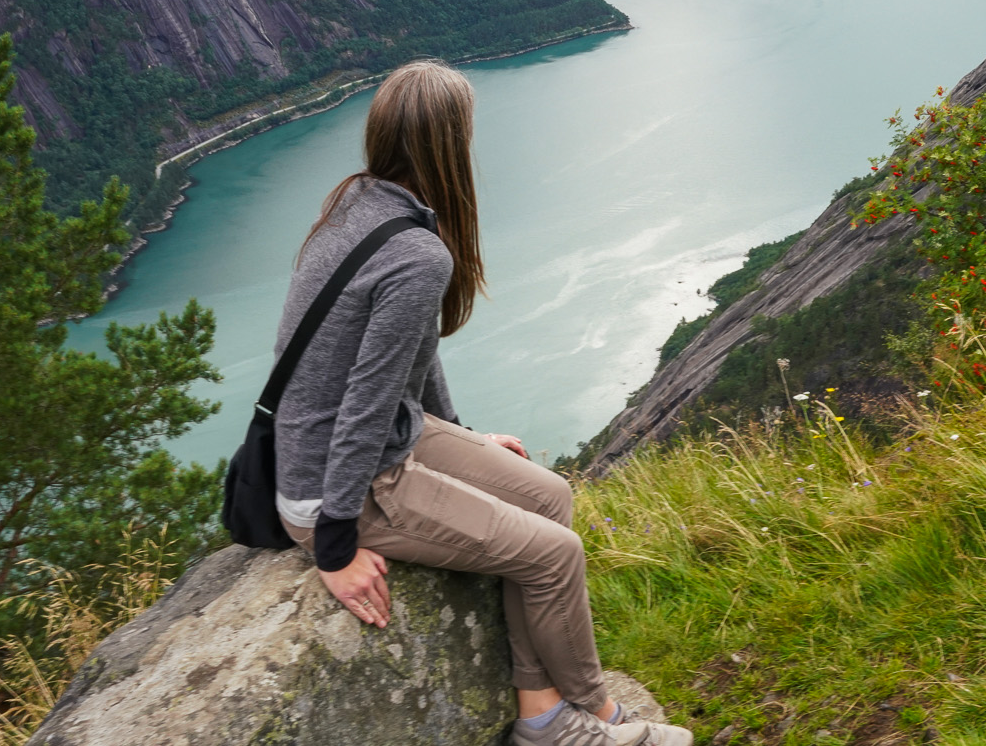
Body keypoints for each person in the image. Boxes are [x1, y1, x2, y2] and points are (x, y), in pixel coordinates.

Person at [271, 59, 691, 746]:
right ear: (449, 144)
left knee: (550, 496)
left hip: (372, 446)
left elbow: (414, 349)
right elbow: (364, 408)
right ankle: (588, 715)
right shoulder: (417, 255)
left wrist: (465, 441)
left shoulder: (356, 203)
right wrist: (335, 545)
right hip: (342, 484)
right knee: (557, 555)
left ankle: (540, 710)